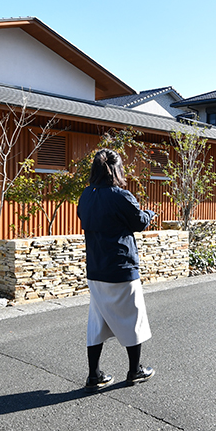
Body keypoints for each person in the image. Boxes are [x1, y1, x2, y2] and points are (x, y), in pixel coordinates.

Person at [76, 148, 157, 391]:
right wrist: (150, 213)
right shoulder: (121, 195)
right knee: (133, 319)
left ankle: (94, 375)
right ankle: (135, 371)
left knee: (97, 322)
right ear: (117, 169)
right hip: (121, 268)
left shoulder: (86, 196)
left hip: (96, 268)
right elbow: (139, 222)